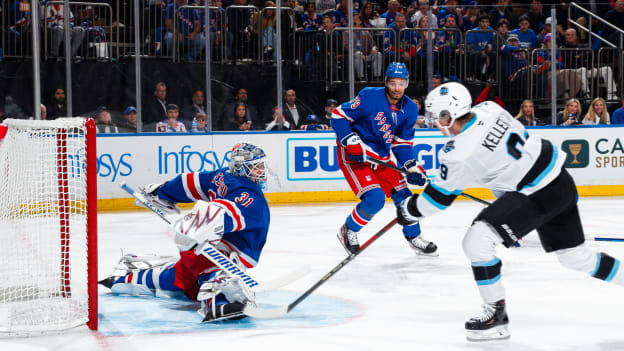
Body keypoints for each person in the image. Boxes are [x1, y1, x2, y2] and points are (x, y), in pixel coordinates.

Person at [397, 82, 624, 341]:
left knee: (477, 241)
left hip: (536, 194)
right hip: (559, 181)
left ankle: (496, 315)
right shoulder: (490, 109)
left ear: (448, 116)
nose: (432, 122)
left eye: (435, 117)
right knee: (576, 257)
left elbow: (436, 202)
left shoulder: (458, 153)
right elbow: (498, 158)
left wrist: (409, 210)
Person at [99, 142, 271, 322]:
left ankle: (122, 279)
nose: (261, 172)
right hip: (210, 250)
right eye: (256, 167)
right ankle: (221, 302)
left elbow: (190, 182)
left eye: (261, 166)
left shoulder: (222, 176)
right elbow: (226, 211)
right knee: (218, 273)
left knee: (170, 279)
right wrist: (202, 224)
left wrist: (161, 192)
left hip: (196, 249)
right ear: (240, 167)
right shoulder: (250, 195)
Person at [331, 62, 437, 255]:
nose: (397, 88)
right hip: (356, 155)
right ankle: (348, 231)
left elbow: (402, 143)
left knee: (404, 196)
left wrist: (412, 167)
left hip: (380, 155)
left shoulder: (411, 109)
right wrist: (350, 141)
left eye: (401, 83)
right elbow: (338, 115)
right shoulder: (369, 96)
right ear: (386, 82)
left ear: (407, 83)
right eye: (393, 83)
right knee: (375, 198)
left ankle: (414, 238)